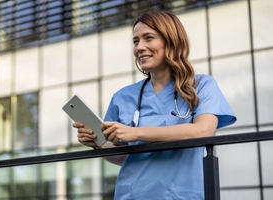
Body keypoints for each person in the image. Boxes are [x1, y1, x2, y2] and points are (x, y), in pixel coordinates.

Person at [73, 10, 236, 199]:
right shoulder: (123, 97)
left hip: (181, 194)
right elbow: (124, 156)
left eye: (148, 38)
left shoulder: (202, 86)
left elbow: (203, 131)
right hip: (134, 194)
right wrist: (97, 145)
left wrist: (135, 133)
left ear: (171, 41)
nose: (140, 47)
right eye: (135, 41)